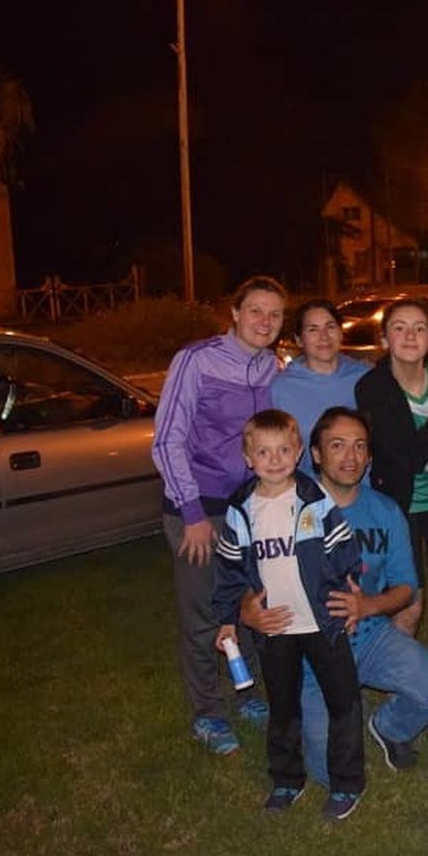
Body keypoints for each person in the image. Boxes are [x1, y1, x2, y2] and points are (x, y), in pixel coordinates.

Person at [239, 407, 428, 780]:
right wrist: (246, 611)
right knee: (329, 771)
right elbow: (241, 576)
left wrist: (369, 604)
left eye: (360, 446)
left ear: (370, 456)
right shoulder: (281, 508)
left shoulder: (385, 511)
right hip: (308, 652)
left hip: (369, 637)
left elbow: (406, 587)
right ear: (316, 454)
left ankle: (389, 727)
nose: (351, 456)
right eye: (337, 445)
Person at [152, 275, 283, 755]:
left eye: (274, 314)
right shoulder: (196, 361)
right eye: (255, 311)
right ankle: (208, 712)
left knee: (248, 607)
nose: (264, 322)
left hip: (250, 511)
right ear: (234, 313)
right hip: (198, 511)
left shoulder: (273, 367)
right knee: (204, 614)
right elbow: (167, 440)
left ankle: (246, 692)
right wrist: (191, 513)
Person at [212, 409, 365, 820]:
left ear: (298, 451)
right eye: (263, 451)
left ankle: (347, 784)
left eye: (283, 450)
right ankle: (285, 779)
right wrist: (228, 618)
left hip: (321, 621)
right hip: (275, 627)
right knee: (282, 706)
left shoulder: (314, 499)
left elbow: (344, 547)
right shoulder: (241, 510)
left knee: (344, 702)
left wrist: (351, 585)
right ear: (248, 458)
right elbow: (228, 569)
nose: (275, 459)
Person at [354, 298, 428, 636]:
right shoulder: (372, 388)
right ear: (385, 339)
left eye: (419, 328)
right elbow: (405, 459)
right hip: (398, 503)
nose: (409, 336)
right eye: (399, 328)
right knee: (409, 604)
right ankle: (399, 685)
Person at [270, 299, 370, 478]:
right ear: (299, 340)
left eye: (330, 327)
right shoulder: (281, 388)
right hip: (310, 494)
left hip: (364, 492)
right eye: (313, 329)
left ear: (340, 332)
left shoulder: (365, 377)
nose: (323, 336)